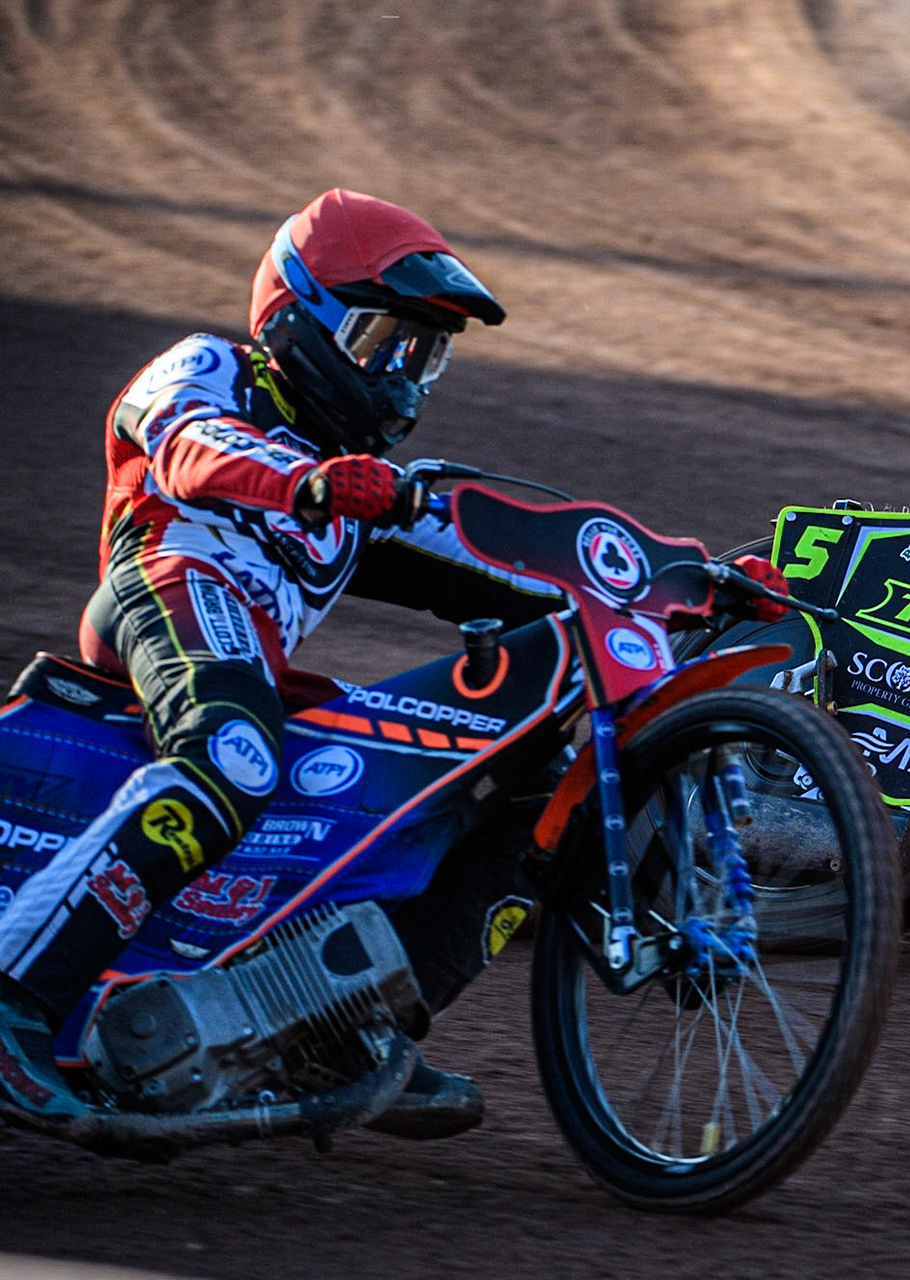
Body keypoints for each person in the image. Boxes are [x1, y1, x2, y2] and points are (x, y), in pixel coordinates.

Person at [0, 189, 565, 1136]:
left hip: (260, 668)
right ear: (300, 316)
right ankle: (13, 992)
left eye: (424, 353)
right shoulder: (211, 368)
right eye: (384, 340)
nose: (402, 374)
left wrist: (687, 583)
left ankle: (339, 1031)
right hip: (167, 586)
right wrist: (306, 483)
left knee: (522, 780)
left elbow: (516, 565)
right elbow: (192, 447)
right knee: (235, 754)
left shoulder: (365, 487)